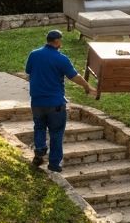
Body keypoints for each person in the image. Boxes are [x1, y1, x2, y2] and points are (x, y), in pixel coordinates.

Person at [24, 28, 91, 172]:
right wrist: (87, 86)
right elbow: (74, 76)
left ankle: (39, 151)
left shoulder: (34, 54)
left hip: (37, 101)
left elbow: (28, 71)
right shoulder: (61, 59)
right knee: (56, 133)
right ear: (57, 41)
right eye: (61, 40)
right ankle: (54, 164)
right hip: (55, 103)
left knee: (39, 127)